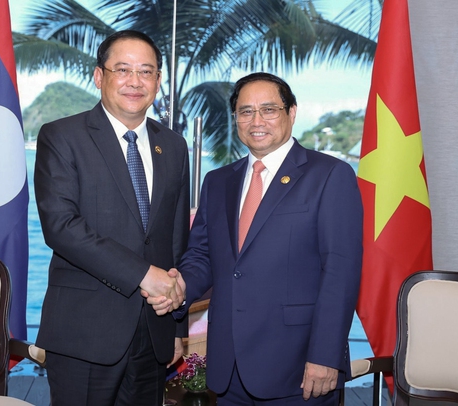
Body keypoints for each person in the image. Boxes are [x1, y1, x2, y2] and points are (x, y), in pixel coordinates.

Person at [148, 72, 363, 405]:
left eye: (269, 109)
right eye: (246, 111)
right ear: (236, 118)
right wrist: (179, 289)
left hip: (299, 369)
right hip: (228, 367)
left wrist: (326, 355)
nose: (256, 120)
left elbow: (340, 273)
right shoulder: (218, 181)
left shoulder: (330, 175)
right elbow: (202, 256)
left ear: (292, 112)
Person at [34, 30, 190, 406]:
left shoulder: (173, 145)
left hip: (153, 331)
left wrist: (176, 325)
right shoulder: (62, 136)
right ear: (99, 76)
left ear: (158, 80)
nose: (135, 81)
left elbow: (175, 240)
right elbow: (61, 227)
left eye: (146, 71)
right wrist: (143, 274)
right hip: (84, 332)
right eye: (123, 70)